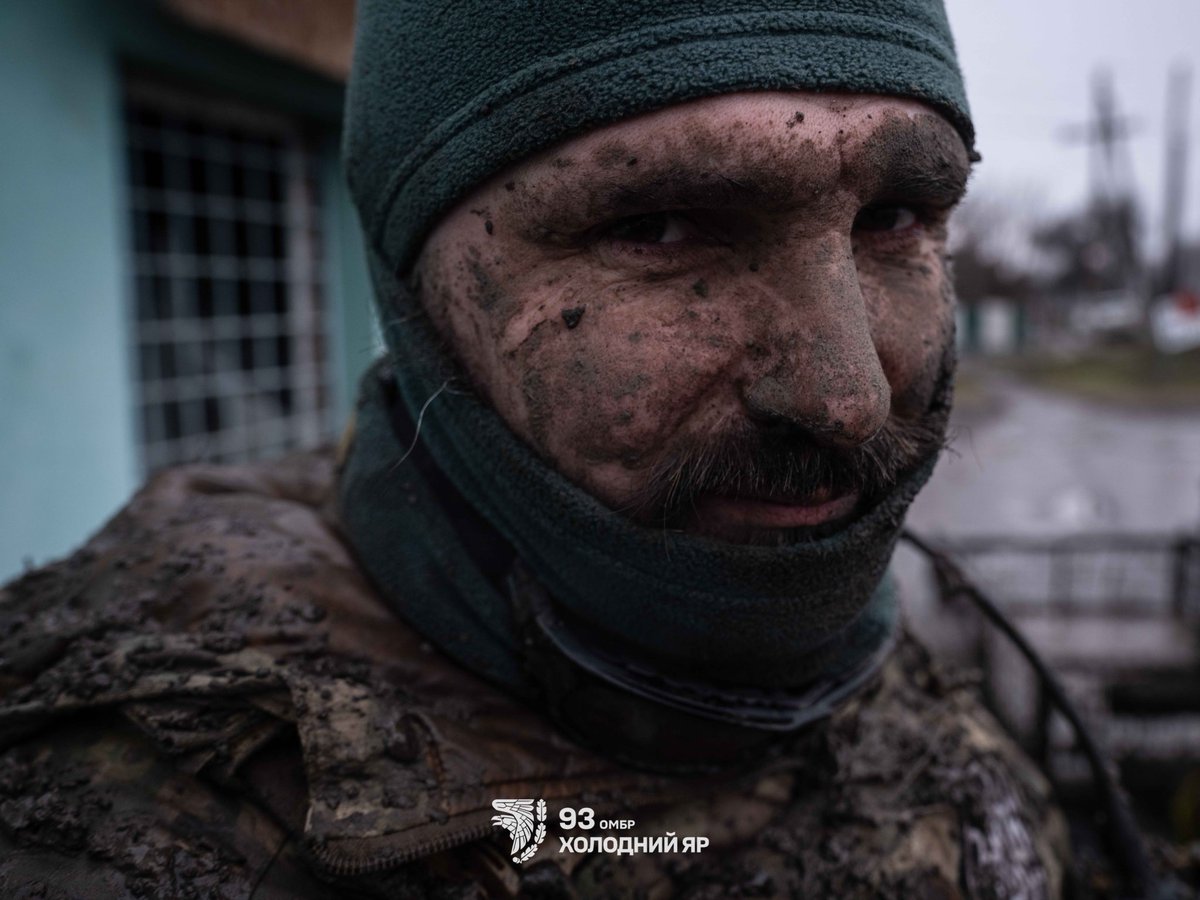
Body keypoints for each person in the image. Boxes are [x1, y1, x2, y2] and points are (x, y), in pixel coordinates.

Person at [0, 1, 1108, 897]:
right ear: (416, 286)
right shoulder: (136, 810)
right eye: (659, 227)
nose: (847, 399)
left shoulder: (926, 689)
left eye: (896, 217)